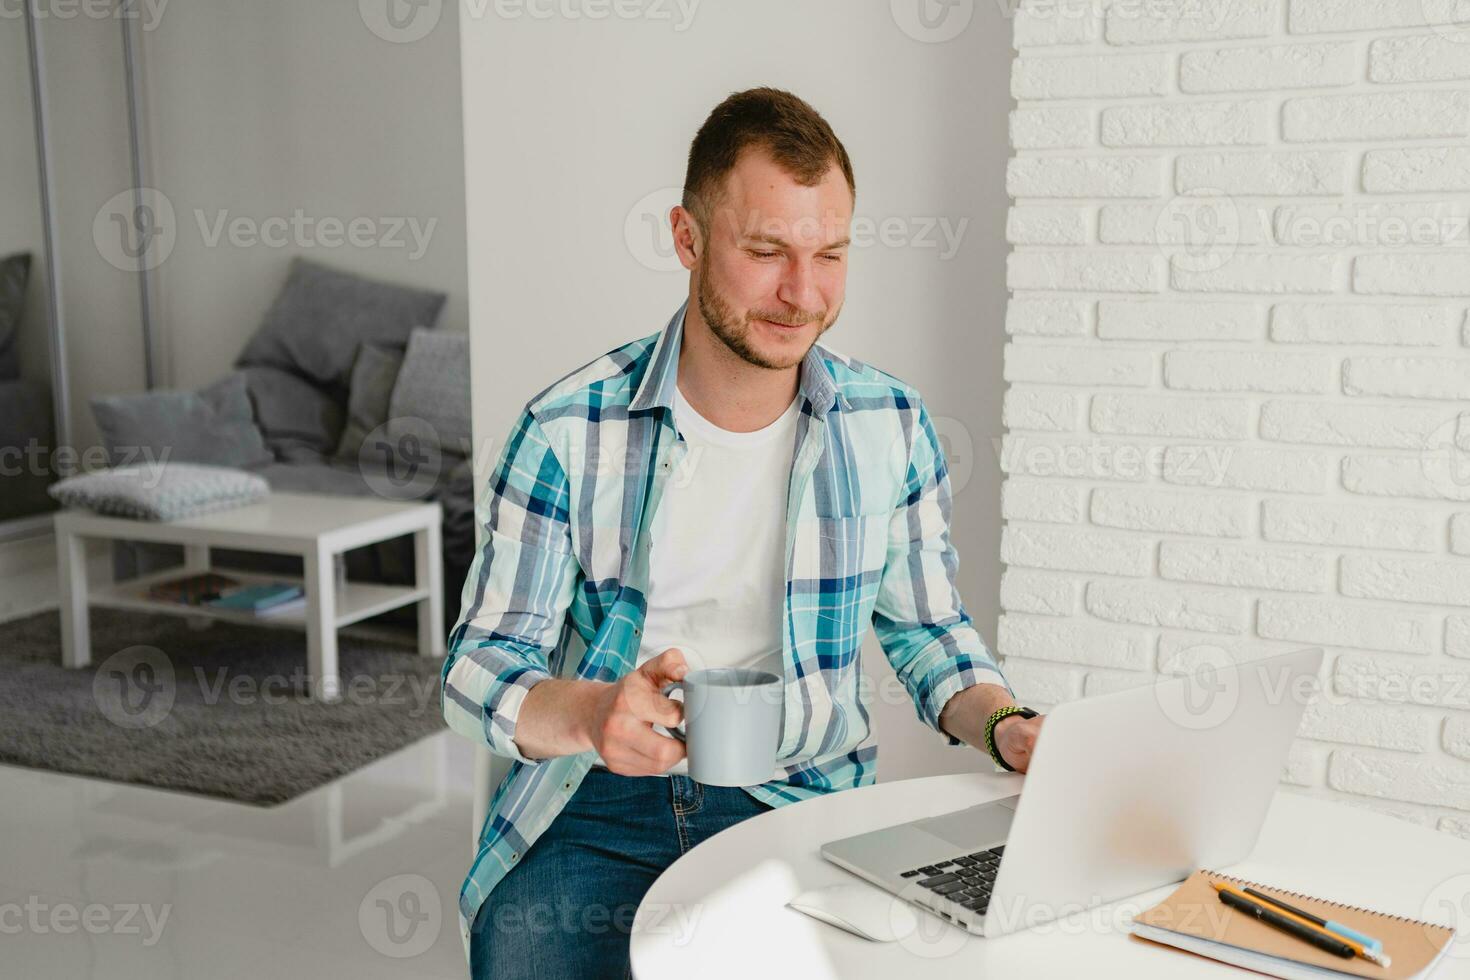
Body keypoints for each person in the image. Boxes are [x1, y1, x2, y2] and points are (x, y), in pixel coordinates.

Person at [443, 86, 1044, 979]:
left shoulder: (888, 424)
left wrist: (1006, 726)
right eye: (766, 252)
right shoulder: (570, 429)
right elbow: (475, 668)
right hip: (593, 799)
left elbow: (927, 633)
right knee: (525, 950)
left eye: (829, 254)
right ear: (687, 239)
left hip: (798, 797)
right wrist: (594, 714)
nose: (802, 294)